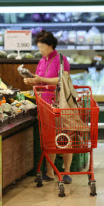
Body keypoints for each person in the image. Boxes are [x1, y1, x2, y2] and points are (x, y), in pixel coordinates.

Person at [24, 30, 73, 184]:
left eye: (43, 47)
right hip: (44, 103)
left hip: (60, 103)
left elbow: (61, 80)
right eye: (39, 47)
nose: (40, 50)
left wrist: (41, 79)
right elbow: (40, 81)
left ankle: (67, 171)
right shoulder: (41, 61)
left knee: (64, 137)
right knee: (49, 138)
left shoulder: (61, 59)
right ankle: (49, 172)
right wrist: (32, 81)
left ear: (51, 45)